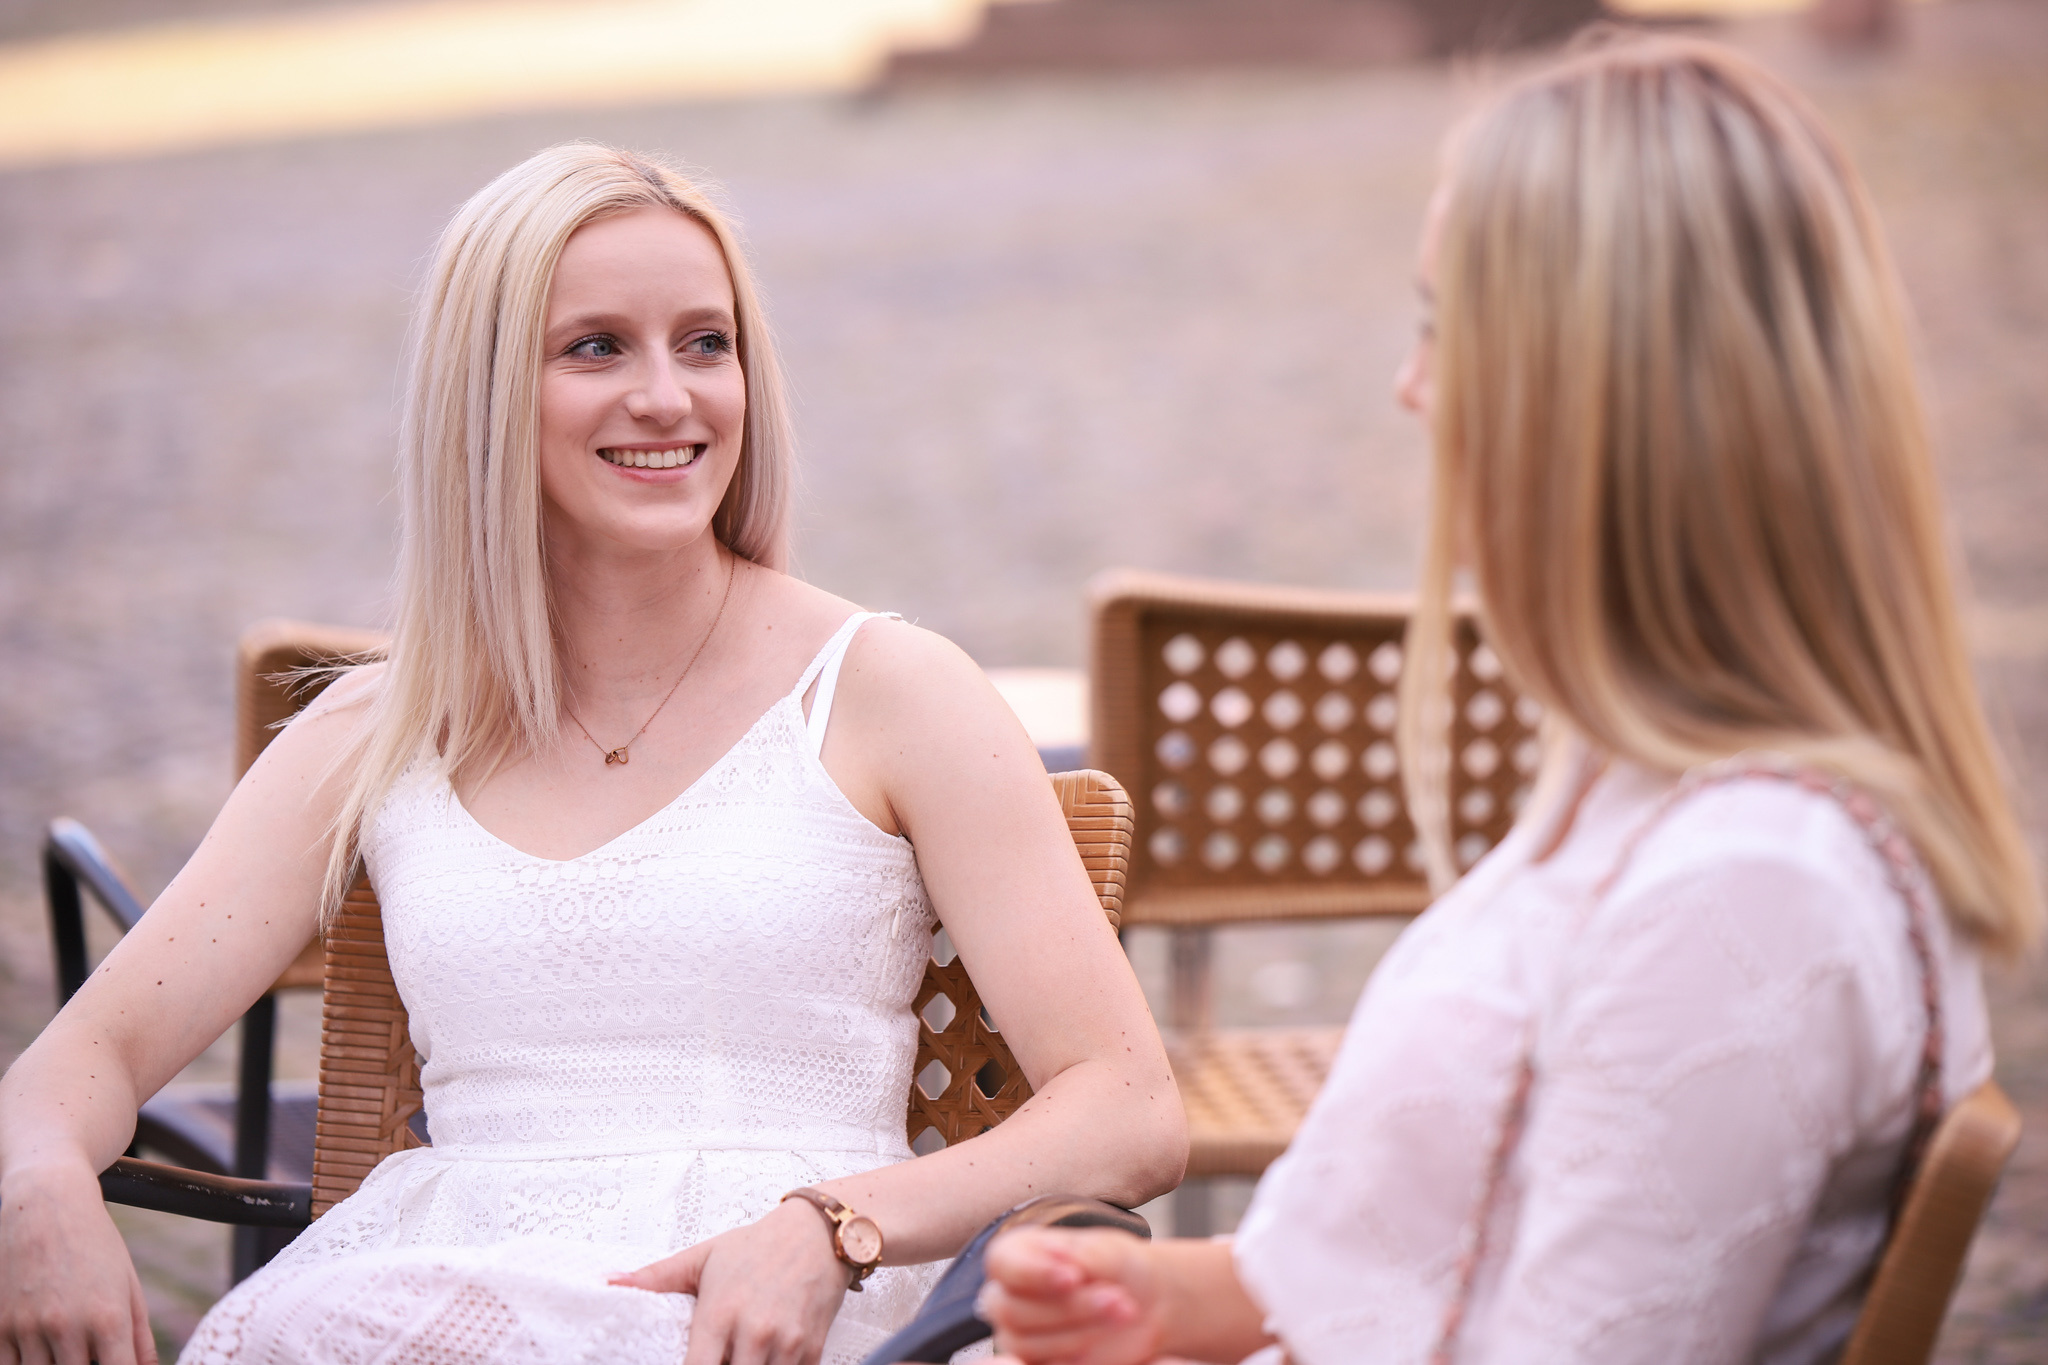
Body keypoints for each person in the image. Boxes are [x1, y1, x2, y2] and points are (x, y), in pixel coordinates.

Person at [0, 143, 1186, 1365]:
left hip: (767, 1313)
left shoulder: (889, 691)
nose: (669, 395)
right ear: (486, 391)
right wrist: (39, 1189)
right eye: (596, 347)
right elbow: (77, 1062)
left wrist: (836, 1222)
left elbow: (1130, 1107)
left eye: (705, 342)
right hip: (422, 1300)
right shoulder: (377, 734)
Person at [977, 34, 2040, 1365]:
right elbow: (1423, 1257)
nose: (1410, 388)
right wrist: (1163, 1304)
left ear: (1587, 392)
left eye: (1442, 326)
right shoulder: (1646, 792)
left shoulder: (1743, 894)